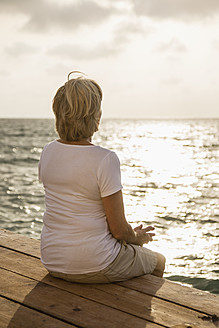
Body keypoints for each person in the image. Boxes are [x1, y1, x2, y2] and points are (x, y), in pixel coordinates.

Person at [38, 71, 165, 284]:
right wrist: (137, 239)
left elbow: (78, 212)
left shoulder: (48, 152)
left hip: (51, 260)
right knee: (158, 261)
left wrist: (127, 236)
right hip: (93, 263)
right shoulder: (105, 159)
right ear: (94, 116)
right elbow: (118, 231)